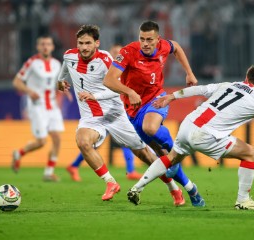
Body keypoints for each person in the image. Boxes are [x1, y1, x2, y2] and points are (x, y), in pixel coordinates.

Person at [127, 65, 254, 210]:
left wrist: (172, 96)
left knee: (171, 158)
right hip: (207, 135)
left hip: (188, 125)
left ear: (246, 78)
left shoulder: (228, 85)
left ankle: (137, 187)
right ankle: (243, 200)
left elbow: (199, 89)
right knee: (251, 153)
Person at [57, 24, 184, 203]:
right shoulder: (69, 56)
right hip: (91, 117)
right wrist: (60, 82)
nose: (84, 47)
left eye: (88, 43)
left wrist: (95, 96)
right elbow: (63, 72)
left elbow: (119, 89)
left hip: (116, 114)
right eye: (80, 43)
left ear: (97, 43)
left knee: (145, 155)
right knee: (82, 141)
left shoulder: (106, 59)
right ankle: (110, 182)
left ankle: (173, 188)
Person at [103, 20, 205, 207]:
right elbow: (108, 80)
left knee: (150, 128)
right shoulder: (127, 52)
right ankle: (192, 190)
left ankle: (177, 149)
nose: (145, 43)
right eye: (142, 39)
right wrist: (130, 92)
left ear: (158, 39)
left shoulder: (164, 46)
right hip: (133, 110)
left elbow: (177, 47)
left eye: (150, 39)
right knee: (163, 160)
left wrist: (189, 73)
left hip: (157, 99)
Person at [66, 44, 142, 182]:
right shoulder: (104, 69)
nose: (116, 56)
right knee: (122, 140)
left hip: (115, 109)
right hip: (104, 111)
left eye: (119, 53)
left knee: (97, 144)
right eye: (114, 52)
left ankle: (74, 165)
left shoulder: (123, 71)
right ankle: (130, 170)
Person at [12, 35, 70, 182]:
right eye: (42, 44)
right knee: (41, 141)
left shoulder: (57, 64)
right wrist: (29, 91)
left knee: (57, 138)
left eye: (48, 44)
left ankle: (49, 172)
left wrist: (63, 89)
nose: (45, 46)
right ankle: (19, 154)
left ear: (52, 47)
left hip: (52, 105)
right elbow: (17, 81)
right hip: (37, 107)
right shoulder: (32, 63)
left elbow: (57, 83)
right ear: (38, 47)